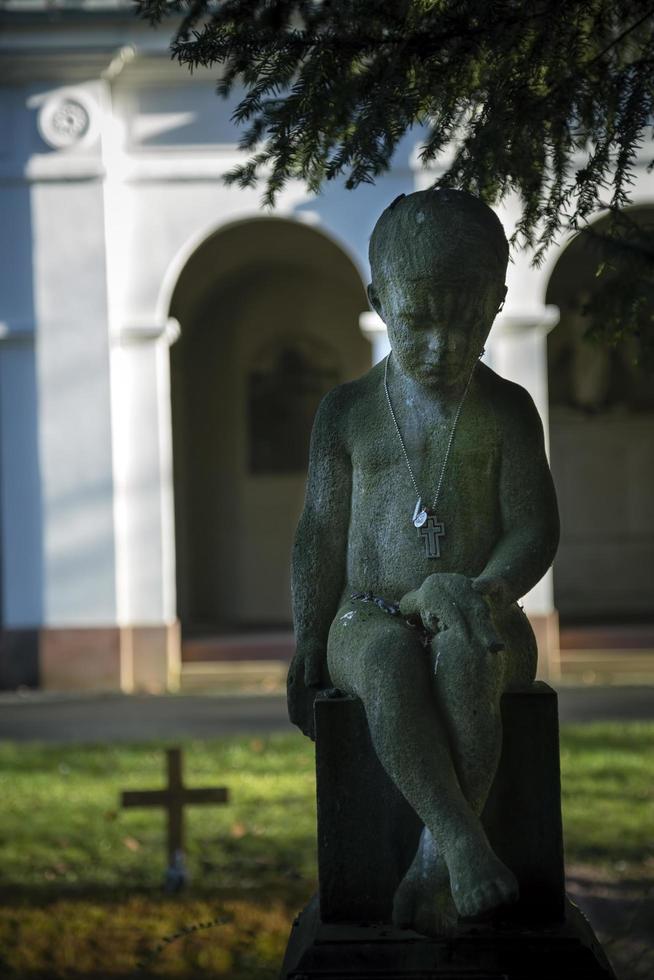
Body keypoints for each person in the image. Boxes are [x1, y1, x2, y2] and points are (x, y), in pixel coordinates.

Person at [287, 188, 560, 935]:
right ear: (379, 300)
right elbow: (319, 529)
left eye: (465, 322)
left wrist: (484, 590)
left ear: (497, 304)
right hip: (365, 616)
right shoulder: (345, 412)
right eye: (417, 322)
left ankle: (434, 864)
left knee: (468, 661)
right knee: (386, 667)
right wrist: (309, 637)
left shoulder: (506, 410)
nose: (441, 347)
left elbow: (534, 529)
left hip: (484, 610)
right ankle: (466, 844)